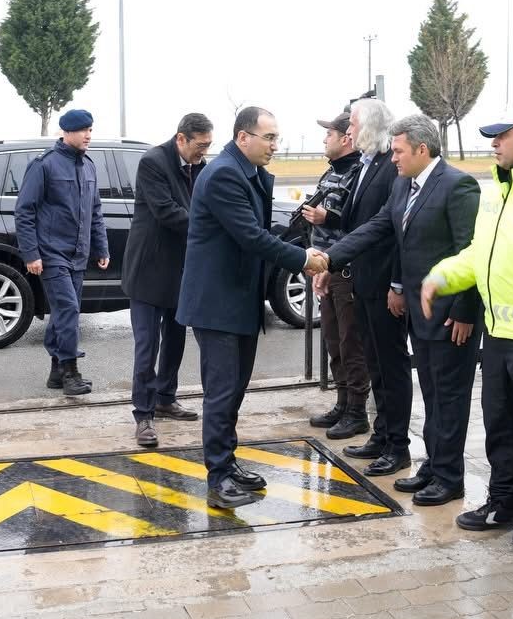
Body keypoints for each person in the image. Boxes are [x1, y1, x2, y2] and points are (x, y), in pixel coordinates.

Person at [419, 97, 513, 553]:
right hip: (499, 333)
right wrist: (441, 276)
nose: (494, 144)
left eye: (503, 136)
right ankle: (504, 502)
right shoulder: (496, 191)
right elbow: (478, 255)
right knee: (499, 425)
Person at [321, 114, 482, 507]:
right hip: (419, 312)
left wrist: (465, 311)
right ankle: (433, 466)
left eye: (398, 151)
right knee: (431, 393)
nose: (392, 158)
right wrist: (328, 258)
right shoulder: (402, 185)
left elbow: (472, 251)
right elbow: (378, 227)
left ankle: (450, 478)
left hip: (450, 316)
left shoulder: (458, 185)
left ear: (422, 150)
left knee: (449, 398)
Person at [177, 106, 321, 509]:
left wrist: (295, 237)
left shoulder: (247, 173)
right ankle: (218, 478)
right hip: (218, 303)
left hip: (238, 299)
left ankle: (227, 461)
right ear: (243, 137)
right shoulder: (224, 174)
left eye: (276, 138)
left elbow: (258, 232)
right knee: (221, 393)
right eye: (269, 137)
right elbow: (250, 237)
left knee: (234, 390)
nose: (275, 145)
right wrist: (303, 258)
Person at [121, 112, 214, 447]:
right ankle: (143, 415)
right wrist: (211, 227)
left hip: (181, 270)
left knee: (175, 339)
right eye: (199, 145)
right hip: (148, 270)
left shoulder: (200, 166)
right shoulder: (153, 163)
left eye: (208, 145)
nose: (203, 151)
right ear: (181, 139)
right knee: (147, 347)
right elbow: (167, 212)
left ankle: (165, 398)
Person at [332, 99, 411, 477]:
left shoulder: (392, 168)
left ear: (371, 126)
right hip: (363, 282)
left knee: (391, 367)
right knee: (376, 366)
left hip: (384, 286)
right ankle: (382, 435)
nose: (348, 130)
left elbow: (395, 232)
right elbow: (357, 225)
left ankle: (398, 445)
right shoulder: (367, 165)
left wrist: (397, 283)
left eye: (353, 123)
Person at [15, 109, 110, 396]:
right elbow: (24, 211)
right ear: (66, 132)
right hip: (52, 253)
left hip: (78, 253)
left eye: (90, 130)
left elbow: (95, 211)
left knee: (63, 313)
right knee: (68, 309)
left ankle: (56, 372)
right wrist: (31, 254)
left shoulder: (89, 166)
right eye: (82, 130)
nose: (88, 135)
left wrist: (101, 247)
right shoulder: (44, 165)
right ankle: (71, 372)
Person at [304, 110, 371, 440]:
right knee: (333, 339)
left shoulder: (359, 173)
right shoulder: (331, 171)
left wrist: (326, 218)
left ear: (346, 138)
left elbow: (359, 223)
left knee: (350, 341)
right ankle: (343, 403)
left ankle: (357, 411)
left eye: (329, 134)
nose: (324, 139)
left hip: (344, 269)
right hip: (325, 267)